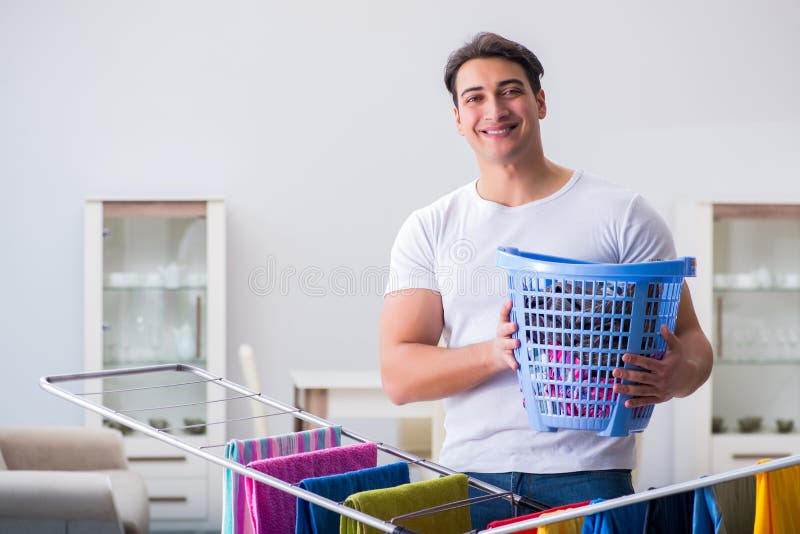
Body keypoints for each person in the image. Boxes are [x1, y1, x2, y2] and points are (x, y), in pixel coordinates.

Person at [379, 32, 713, 528]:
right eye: (475, 97)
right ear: (458, 118)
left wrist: (673, 376)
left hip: (591, 476)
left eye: (510, 90)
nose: (494, 109)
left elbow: (693, 344)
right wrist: (493, 354)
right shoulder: (430, 227)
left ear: (539, 101)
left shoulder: (623, 215)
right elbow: (400, 374)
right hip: (471, 480)